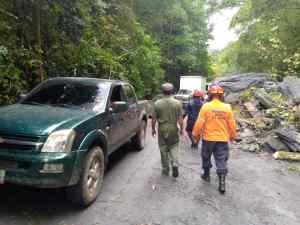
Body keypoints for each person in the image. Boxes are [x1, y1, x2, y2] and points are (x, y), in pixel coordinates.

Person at [192, 85, 236, 194]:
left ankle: (206, 175)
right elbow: (232, 124)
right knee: (221, 159)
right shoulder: (227, 107)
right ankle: (222, 183)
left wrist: (195, 134)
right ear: (221, 95)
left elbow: (199, 122)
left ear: (210, 94)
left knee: (206, 157)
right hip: (222, 139)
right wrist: (232, 135)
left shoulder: (206, 106)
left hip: (208, 138)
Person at [152, 83, 184, 177]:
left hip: (162, 128)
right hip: (173, 128)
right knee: (174, 146)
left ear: (163, 92)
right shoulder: (177, 103)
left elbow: (153, 119)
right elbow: (181, 119)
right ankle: (175, 163)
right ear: (172, 91)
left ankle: (165, 169)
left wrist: (153, 129)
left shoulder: (157, 103)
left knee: (163, 148)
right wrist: (181, 129)